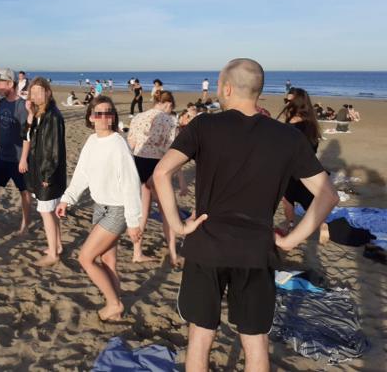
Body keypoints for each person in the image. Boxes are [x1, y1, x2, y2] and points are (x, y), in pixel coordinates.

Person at [153, 58, 338, 372]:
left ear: (226, 88)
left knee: (200, 338)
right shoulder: (288, 137)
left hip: (207, 246)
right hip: (256, 250)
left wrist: (178, 226)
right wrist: (292, 239)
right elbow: (328, 195)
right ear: (258, 91)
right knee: (255, 343)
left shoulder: (204, 125)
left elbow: (161, 173)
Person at [56, 96, 142, 321]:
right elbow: (82, 173)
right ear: (91, 117)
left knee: (85, 258)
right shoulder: (92, 141)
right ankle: (115, 305)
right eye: (99, 113)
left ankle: (114, 304)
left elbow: (131, 183)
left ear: (113, 117)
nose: (104, 117)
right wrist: (67, 199)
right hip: (99, 207)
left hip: (117, 210)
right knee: (108, 261)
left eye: (108, 113)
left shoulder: (118, 143)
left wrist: (133, 222)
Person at [127, 90, 187, 265]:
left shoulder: (138, 117)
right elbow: (172, 152)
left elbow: (130, 144)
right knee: (168, 212)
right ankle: (173, 254)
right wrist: (182, 180)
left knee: (142, 213)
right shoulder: (169, 120)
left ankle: (137, 253)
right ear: (169, 104)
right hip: (157, 167)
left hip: (138, 164)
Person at [19, 77, 67, 267]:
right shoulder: (40, 113)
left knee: (46, 212)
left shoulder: (53, 116)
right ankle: (58, 246)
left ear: (48, 93)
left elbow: (53, 150)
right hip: (41, 170)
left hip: (48, 172)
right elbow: (26, 136)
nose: (36, 95)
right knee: (51, 211)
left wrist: (47, 176)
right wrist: (30, 116)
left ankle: (53, 254)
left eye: (40, 91)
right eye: (33, 92)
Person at [0, 68, 31, 234]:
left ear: (11, 84)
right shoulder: (1, 103)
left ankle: (25, 223)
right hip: (3, 156)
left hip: (18, 158)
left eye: (1, 83)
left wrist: (24, 158)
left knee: (24, 191)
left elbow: (27, 135)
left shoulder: (22, 106)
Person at [279, 88, 322, 231]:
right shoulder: (311, 123)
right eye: (286, 100)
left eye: (289, 101)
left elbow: (286, 147)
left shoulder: (293, 122)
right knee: (308, 200)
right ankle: (322, 225)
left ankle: (291, 226)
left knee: (287, 199)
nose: (286, 103)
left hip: (292, 168)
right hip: (308, 167)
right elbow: (313, 147)